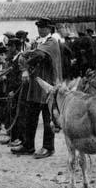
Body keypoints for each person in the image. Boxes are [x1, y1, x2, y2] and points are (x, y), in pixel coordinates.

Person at [11, 17, 62, 159]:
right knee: (30, 117)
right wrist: (26, 63)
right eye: (39, 27)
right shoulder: (36, 41)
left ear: (49, 28)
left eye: (43, 27)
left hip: (48, 85)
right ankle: (28, 146)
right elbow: (25, 57)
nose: (40, 29)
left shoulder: (52, 42)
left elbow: (39, 54)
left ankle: (48, 147)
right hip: (35, 85)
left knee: (48, 118)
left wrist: (25, 55)